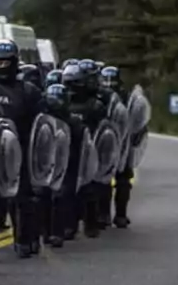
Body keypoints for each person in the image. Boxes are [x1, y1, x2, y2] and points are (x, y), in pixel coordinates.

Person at [0, 40, 44, 258]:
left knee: (24, 198)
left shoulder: (29, 91)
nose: (2, 66)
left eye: (5, 62)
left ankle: (27, 238)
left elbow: (41, 124)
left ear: (14, 62)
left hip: (23, 149)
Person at [69, 59, 108, 238]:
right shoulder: (63, 104)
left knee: (90, 188)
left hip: (89, 149)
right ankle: (70, 223)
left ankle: (91, 222)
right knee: (69, 189)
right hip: (68, 149)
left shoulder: (95, 105)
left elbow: (103, 130)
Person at [41, 82, 78, 248]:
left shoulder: (74, 122)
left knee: (62, 196)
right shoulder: (42, 122)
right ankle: (46, 231)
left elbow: (82, 147)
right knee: (44, 197)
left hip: (68, 163)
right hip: (46, 164)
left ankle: (59, 231)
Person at [99, 65, 134, 228]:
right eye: (106, 80)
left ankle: (119, 214)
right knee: (107, 179)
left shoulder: (126, 98)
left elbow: (134, 118)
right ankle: (108, 214)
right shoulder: (100, 97)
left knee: (121, 179)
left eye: (111, 80)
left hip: (123, 141)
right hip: (106, 141)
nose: (108, 84)